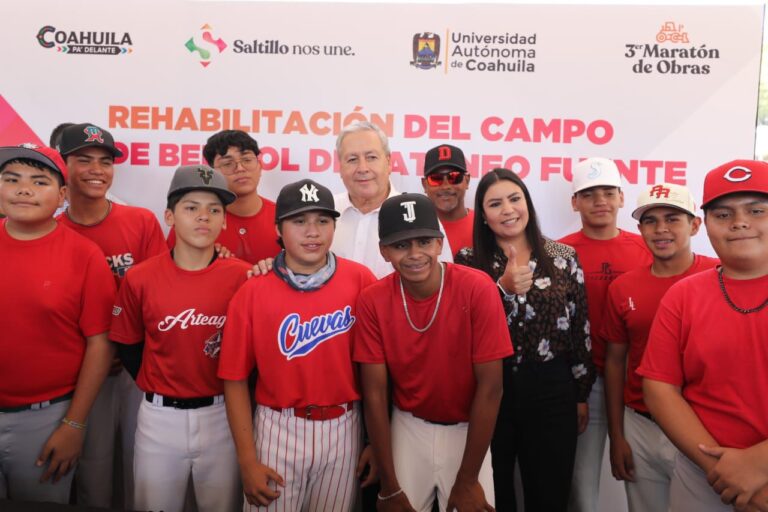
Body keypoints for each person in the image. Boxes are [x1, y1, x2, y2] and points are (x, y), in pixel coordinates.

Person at [219, 179, 378, 511]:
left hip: (344, 425)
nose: (312, 232)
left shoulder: (360, 280)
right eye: (299, 221)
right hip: (279, 426)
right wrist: (247, 460)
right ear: (278, 228)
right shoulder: (254, 290)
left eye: (323, 221)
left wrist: (376, 441)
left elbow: (376, 371)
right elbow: (233, 379)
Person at [355, 192, 512, 512]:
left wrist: (468, 480)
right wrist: (388, 485)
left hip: (470, 428)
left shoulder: (477, 287)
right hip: (408, 426)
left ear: (440, 243)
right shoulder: (372, 299)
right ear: (384, 251)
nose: (415, 254)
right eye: (401, 245)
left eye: (424, 241)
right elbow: (374, 393)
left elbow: (491, 387)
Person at [110, 164, 250, 512]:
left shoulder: (245, 277)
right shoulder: (141, 277)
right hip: (160, 417)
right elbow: (128, 345)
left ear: (224, 221)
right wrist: (157, 379)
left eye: (214, 210)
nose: (204, 217)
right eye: (191, 208)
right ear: (170, 217)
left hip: (223, 415)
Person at [454, 168, 594, 511]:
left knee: (549, 492)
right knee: (493, 490)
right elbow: (463, 330)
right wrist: (501, 289)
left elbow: (580, 328)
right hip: (491, 390)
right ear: (483, 216)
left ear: (527, 204)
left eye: (515, 199)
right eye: (495, 204)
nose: (508, 210)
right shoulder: (468, 261)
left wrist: (580, 393)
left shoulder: (563, 257)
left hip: (552, 389)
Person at [638, 160, 768, 512]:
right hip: (703, 475)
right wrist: (721, 472)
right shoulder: (684, 295)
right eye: (723, 214)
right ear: (706, 224)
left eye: (756, 210)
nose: (740, 222)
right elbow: (659, 388)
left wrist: (759, 463)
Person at [55, 122, 167, 509]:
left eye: (105, 161)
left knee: (144, 466)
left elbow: (158, 297)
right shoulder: (52, 228)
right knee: (93, 470)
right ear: (63, 164)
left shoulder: (140, 221)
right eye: (83, 160)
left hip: (138, 367)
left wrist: (131, 350)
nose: (96, 170)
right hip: (84, 369)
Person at [0, 143, 116, 503]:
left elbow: (100, 342)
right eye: (11, 179)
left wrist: (74, 424)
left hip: (46, 418)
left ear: (62, 194)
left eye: (39, 181)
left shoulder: (84, 255)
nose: (23, 189)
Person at [602, 183, 719, 512]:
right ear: (639, 229)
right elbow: (614, 363)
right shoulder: (623, 286)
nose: (661, 229)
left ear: (695, 225)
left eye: (673, 218)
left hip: (700, 424)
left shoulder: (720, 274)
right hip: (639, 425)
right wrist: (617, 435)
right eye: (650, 221)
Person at [558, 157, 652, 512]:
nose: (600, 201)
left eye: (608, 192)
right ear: (574, 202)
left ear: (622, 198)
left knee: (644, 481)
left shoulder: (646, 248)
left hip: (639, 382)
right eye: (589, 193)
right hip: (585, 384)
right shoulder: (558, 251)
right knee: (582, 488)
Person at [332, 121, 452, 278]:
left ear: (388, 162)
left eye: (371, 157)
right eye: (352, 159)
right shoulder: (326, 212)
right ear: (340, 167)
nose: (362, 168)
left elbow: (443, 280)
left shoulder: (418, 214)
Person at [167, 130, 280, 264]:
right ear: (212, 173)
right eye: (228, 164)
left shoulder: (284, 217)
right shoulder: (192, 224)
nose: (240, 168)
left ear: (260, 166)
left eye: (247, 160)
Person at [421, 143, 474, 254]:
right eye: (436, 179)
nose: (445, 186)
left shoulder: (485, 225)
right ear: (424, 185)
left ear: (467, 180)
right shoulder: (414, 228)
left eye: (454, 177)